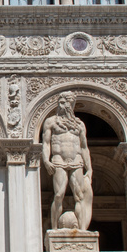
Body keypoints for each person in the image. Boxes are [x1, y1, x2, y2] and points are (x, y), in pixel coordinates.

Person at [41, 91, 93, 230]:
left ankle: (82, 231)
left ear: (72, 105)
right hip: (58, 160)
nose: (62, 106)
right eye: (60, 102)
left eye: (65, 103)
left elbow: (84, 147)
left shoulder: (79, 124)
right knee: (59, 195)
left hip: (77, 161)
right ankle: (55, 229)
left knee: (79, 196)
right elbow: (46, 143)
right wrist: (46, 160)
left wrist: (89, 168)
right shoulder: (51, 122)